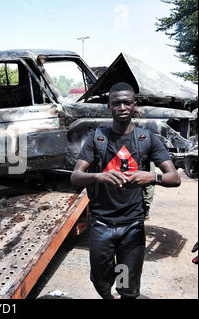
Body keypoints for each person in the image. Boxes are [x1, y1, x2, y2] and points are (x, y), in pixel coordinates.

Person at [70, 82, 181, 299]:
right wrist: (97, 176)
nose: (122, 107)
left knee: (128, 287)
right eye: (116, 103)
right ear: (109, 107)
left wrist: (151, 176)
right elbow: (75, 177)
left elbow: (174, 178)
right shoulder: (97, 138)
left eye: (127, 103)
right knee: (101, 282)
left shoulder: (147, 138)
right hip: (101, 224)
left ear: (134, 106)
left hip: (132, 225)